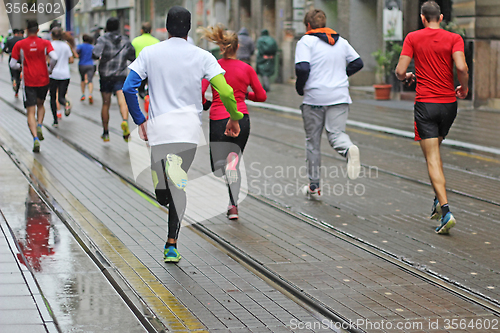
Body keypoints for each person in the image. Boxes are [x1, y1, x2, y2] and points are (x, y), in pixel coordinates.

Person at [123, 6, 242, 263]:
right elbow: (227, 92)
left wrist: (140, 121)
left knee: (162, 191)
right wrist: (234, 117)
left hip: (159, 131)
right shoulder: (202, 56)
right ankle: (171, 245)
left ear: (166, 27)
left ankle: (170, 238)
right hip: (187, 132)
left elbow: (128, 88)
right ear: (189, 28)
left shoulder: (150, 53)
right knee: (177, 185)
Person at [395, 1, 468, 234]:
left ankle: (445, 210)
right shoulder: (455, 38)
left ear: (423, 18)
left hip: (426, 105)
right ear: (442, 17)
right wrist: (464, 88)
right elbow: (462, 67)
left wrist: (406, 75)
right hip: (449, 105)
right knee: (434, 152)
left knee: (432, 159)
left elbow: (399, 71)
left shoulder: (413, 38)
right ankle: (438, 200)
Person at [295, 9, 364, 198]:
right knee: (336, 135)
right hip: (340, 96)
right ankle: (349, 149)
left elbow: (302, 67)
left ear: (308, 25)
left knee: (313, 143)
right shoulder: (341, 42)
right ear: (324, 24)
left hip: (315, 98)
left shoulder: (306, 42)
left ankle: (314, 186)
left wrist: (300, 87)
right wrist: (341, 76)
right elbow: (358, 63)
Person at [200, 24, 267, 220]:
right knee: (234, 163)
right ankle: (233, 206)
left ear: (221, 48)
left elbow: (199, 90)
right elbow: (262, 96)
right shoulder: (246, 69)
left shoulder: (214, 67)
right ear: (238, 48)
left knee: (217, 166)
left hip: (218, 119)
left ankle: (226, 173)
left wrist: (206, 103)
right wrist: (246, 95)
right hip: (242, 119)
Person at [10, 20, 58, 153]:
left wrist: (21, 67)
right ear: (37, 30)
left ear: (26, 29)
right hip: (43, 79)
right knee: (41, 105)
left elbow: (12, 64)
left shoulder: (20, 44)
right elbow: (54, 57)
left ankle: (35, 138)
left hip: (29, 81)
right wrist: (50, 69)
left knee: (30, 111)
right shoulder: (45, 43)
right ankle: (40, 125)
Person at [93, 17, 136, 142]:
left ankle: (105, 133)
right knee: (122, 100)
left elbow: (95, 54)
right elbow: (132, 57)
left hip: (105, 76)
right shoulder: (125, 40)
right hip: (120, 75)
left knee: (106, 103)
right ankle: (124, 121)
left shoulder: (102, 39)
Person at [49, 27, 74, 127]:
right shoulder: (66, 45)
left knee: (52, 98)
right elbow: (71, 60)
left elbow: (47, 59)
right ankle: (66, 104)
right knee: (61, 97)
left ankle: (55, 120)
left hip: (53, 74)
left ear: (52, 35)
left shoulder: (50, 45)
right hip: (65, 75)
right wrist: (64, 62)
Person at [131, 22, 160, 99]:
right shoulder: (156, 41)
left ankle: (144, 98)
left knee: (140, 88)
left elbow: (132, 56)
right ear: (151, 31)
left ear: (141, 30)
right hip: (152, 69)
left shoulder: (135, 41)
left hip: (140, 69)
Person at [3, 29, 24, 98]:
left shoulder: (9, 40)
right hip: (20, 58)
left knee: (13, 72)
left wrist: (9, 52)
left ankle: (14, 80)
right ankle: (17, 90)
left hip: (12, 57)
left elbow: (4, 49)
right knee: (19, 73)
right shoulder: (22, 39)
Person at [77, 34, 96, 104]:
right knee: (90, 80)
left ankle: (83, 94)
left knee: (82, 79)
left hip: (81, 64)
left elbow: (77, 52)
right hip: (90, 64)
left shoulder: (80, 46)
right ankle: (90, 94)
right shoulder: (92, 47)